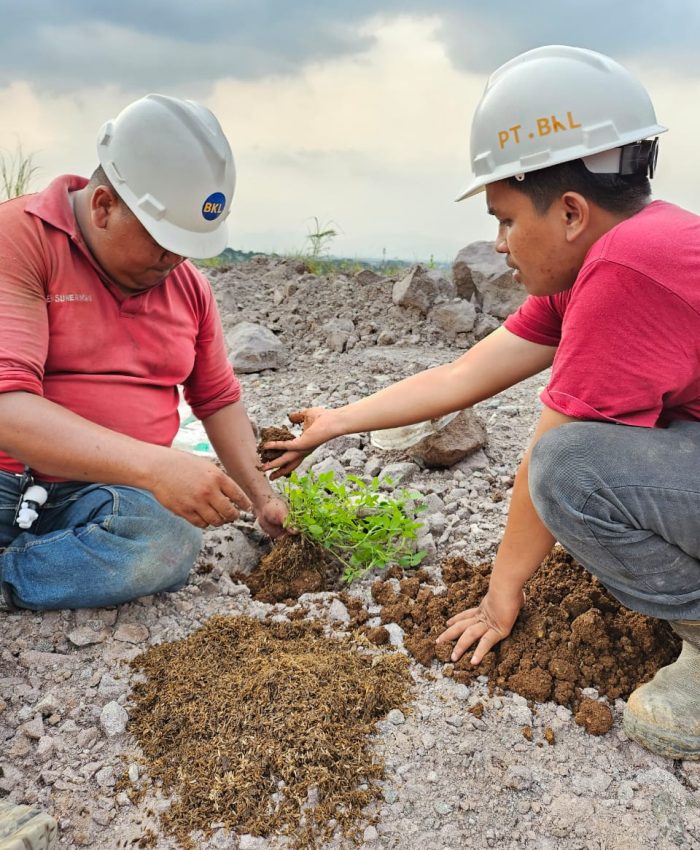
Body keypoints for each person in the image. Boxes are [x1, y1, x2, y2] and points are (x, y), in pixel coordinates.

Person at [263, 45, 700, 761]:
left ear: (568, 212)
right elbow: (465, 374)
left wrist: (502, 595)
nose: (497, 245)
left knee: (567, 466)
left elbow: (550, 457)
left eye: (503, 219)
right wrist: (335, 424)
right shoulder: (609, 253)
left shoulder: (628, 267)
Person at [0, 93, 288, 612]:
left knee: (166, 542)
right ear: (103, 205)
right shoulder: (20, 240)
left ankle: (14, 575)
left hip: (100, 497)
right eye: (162, 238)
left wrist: (262, 496)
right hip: (6, 481)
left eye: (187, 245)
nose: (174, 257)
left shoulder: (188, 286)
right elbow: (8, 408)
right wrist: (157, 468)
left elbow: (217, 399)